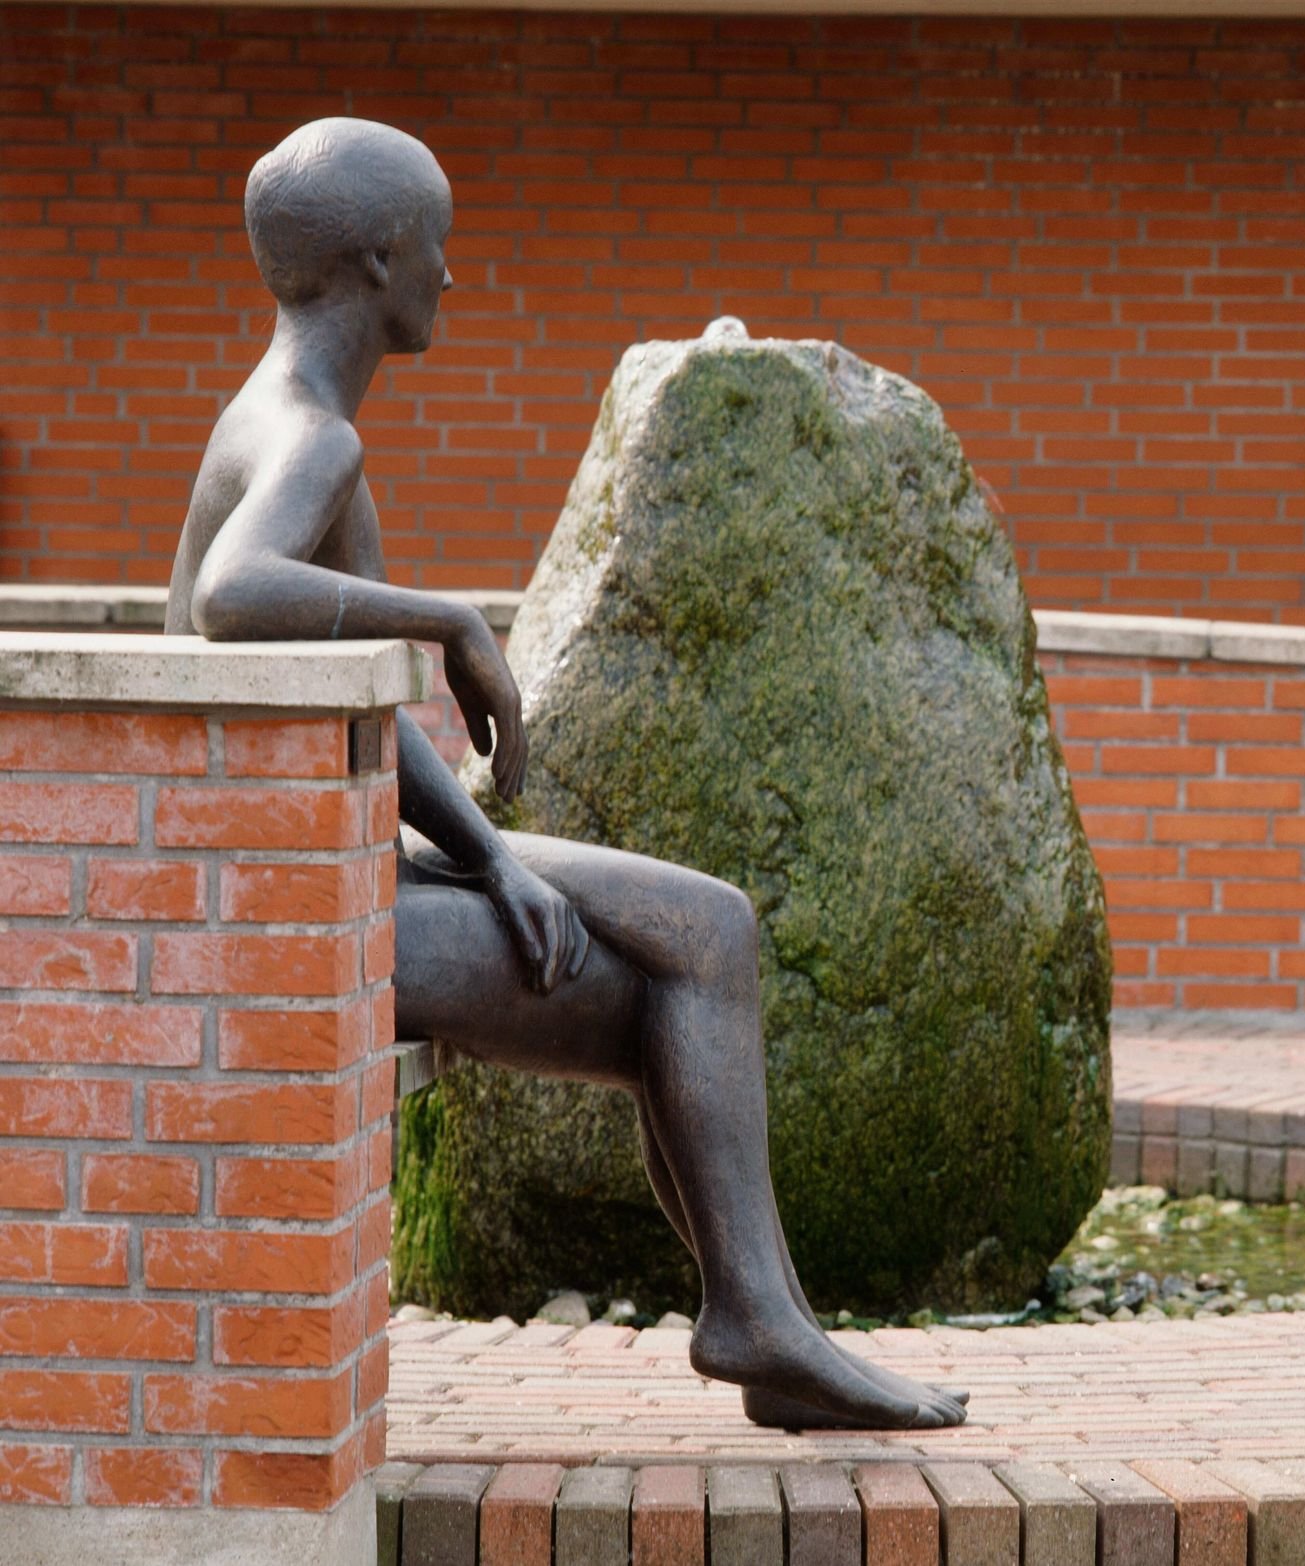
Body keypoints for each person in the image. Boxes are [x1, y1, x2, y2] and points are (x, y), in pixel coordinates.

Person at [164, 116, 966, 1428]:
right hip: (289, 917)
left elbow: (359, 728)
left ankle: (757, 1312)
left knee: (700, 938)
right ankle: (758, 1316)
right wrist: (452, 621)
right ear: (377, 261)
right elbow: (231, 597)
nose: (453, 276)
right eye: (440, 248)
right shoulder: (310, 437)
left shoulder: (287, 422)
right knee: (703, 947)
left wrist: (487, 855)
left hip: (330, 868)